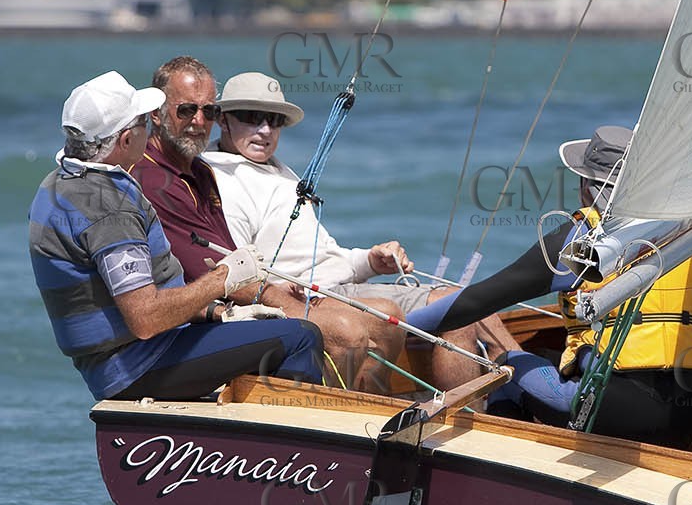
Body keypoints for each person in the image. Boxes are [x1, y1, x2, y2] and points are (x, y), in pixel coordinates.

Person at [206, 71, 518, 391]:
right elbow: (235, 268)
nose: (265, 129)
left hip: (335, 287)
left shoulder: (276, 169)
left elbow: (321, 252)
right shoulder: (221, 178)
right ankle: (372, 422)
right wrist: (278, 289)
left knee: (461, 304)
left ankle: (494, 399)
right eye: (251, 118)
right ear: (222, 120)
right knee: (386, 314)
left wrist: (369, 261)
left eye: (274, 120)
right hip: (307, 300)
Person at [405, 126, 692, 448]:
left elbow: (478, 300)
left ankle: (498, 459)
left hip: (613, 417)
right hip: (687, 418)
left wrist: (399, 326)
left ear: (587, 186)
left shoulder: (585, 243)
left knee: (509, 365)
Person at [28, 71, 324, 402]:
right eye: (143, 123)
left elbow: (129, 299)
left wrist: (218, 313)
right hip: (136, 365)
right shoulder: (110, 209)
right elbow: (145, 318)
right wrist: (225, 278)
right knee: (300, 336)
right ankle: (285, 446)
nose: (149, 131)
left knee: (262, 333)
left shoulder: (58, 184)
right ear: (126, 140)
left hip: (114, 362)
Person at [130, 56, 401, 390]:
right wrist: (280, 299)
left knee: (385, 318)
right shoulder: (153, 178)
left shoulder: (200, 172)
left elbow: (231, 256)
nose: (199, 122)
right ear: (156, 114)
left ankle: (363, 425)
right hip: (187, 325)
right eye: (186, 110)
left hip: (239, 296)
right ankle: (327, 424)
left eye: (208, 112)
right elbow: (210, 267)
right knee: (346, 331)